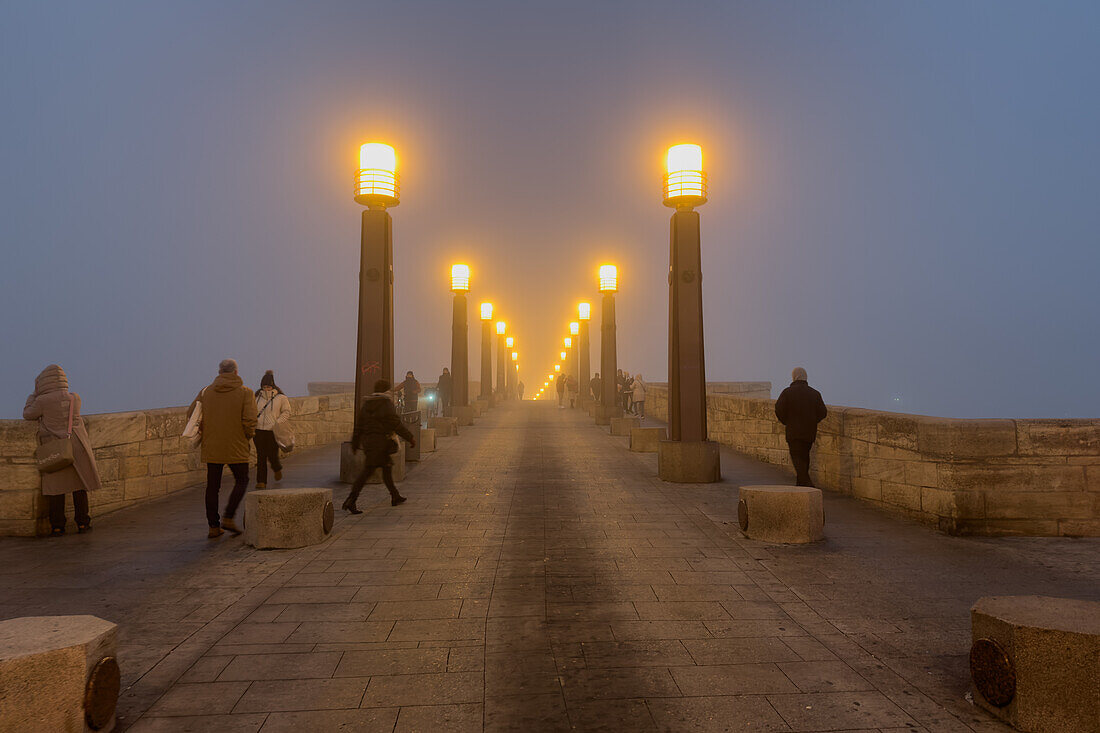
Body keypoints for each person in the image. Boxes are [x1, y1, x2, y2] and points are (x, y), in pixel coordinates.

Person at [23, 365, 102, 536]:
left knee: (56, 489)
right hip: (77, 447)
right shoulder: (75, 398)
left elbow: (28, 414)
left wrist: (32, 397)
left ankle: (58, 526)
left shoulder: (42, 401)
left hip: (56, 449)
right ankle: (83, 523)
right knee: (80, 487)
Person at [189, 359, 257, 538]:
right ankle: (228, 516)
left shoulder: (206, 392)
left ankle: (213, 526)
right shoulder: (246, 393)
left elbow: (191, 414)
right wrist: (247, 436)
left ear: (219, 372)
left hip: (212, 445)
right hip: (236, 444)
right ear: (236, 372)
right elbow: (250, 421)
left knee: (213, 486)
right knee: (242, 480)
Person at [345, 379, 416, 512]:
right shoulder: (385, 403)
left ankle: (395, 496)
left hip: (370, 443)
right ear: (386, 391)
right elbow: (396, 423)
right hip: (381, 443)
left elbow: (359, 426)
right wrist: (410, 437)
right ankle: (351, 500)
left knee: (386, 469)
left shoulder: (367, 404)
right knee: (367, 473)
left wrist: (355, 443)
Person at [774, 367, 828, 487]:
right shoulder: (815, 393)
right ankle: (801, 487)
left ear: (794, 377)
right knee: (804, 457)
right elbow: (823, 412)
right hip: (809, 433)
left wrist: (786, 421)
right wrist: (813, 421)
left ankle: (807, 483)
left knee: (797, 457)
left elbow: (778, 409)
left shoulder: (787, 392)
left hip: (793, 432)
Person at [254, 370, 292, 489]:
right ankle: (261, 481)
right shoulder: (256, 397)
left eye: (269, 386)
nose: (267, 389)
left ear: (273, 385)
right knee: (261, 456)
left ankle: (277, 468)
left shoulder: (281, 398)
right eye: (264, 386)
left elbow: (286, 412)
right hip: (258, 430)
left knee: (272, 455)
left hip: (273, 431)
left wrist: (278, 423)